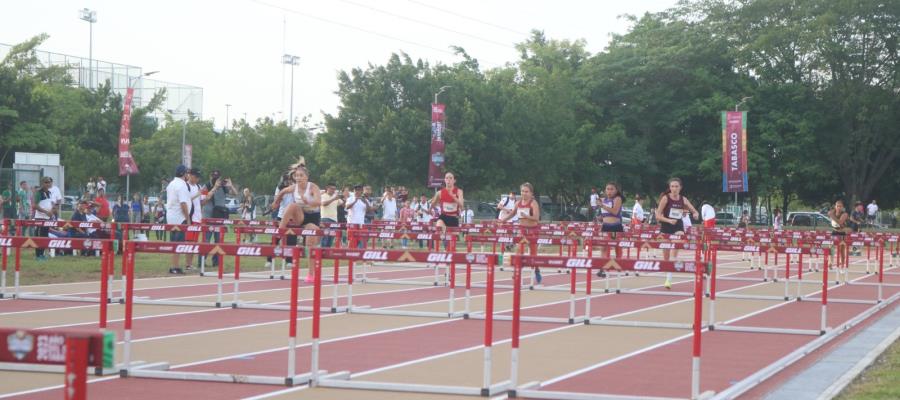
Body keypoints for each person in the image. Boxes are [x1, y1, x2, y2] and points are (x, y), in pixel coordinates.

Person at [272, 163, 322, 282]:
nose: (298, 178)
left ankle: (311, 274)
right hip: (300, 217)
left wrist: (308, 201)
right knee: (292, 206)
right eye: (296, 176)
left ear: (306, 177)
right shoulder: (294, 187)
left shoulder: (313, 187)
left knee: (310, 244)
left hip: (312, 218)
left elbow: (318, 202)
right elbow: (282, 191)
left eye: (301, 175)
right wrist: (276, 202)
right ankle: (280, 231)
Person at [655, 177, 700, 289]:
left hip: (678, 226)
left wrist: (695, 214)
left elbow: (694, 211)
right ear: (669, 188)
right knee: (666, 257)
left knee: (674, 249)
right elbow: (658, 215)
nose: (674, 189)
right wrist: (669, 220)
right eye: (672, 186)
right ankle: (668, 272)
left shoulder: (683, 199)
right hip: (666, 226)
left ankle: (669, 279)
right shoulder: (665, 198)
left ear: (680, 188)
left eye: (676, 186)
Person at [501, 182, 542, 283]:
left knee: (533, 255)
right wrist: (503, 220)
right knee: (519, 252)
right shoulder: (517, 203)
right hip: (522, 230)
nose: (524, 193)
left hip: (533, 230)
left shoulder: (533, 203)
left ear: (531, 193)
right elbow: (512, 213)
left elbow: (537, 218)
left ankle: (537, 269)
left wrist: (526, 216)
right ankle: (516, 272)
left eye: (526, 191)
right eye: (522, 191)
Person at [165, 165, 192, 274]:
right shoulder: (182, 185)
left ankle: (174, 265)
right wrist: (188, 218)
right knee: (178, 243)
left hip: (171, 217)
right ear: (183, 174)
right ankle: (175, 267)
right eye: (186, 173)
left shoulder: (171, 184)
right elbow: (183, 203)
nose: (187, 175)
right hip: (180, 217)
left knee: (174, 242)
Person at [32, 177, 55, 260]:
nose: (48, 184)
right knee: (39, 237)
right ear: (42, 183)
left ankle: (42, 254)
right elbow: (34, 205)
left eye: (49, 182)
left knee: (44, 237)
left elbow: (50, 204)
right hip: (40, 219)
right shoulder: (39, 192)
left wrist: (52, 211)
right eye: (46, 182)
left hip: (47, 218)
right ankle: (38, 256)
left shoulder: (49, 193)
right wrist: (46, 212)